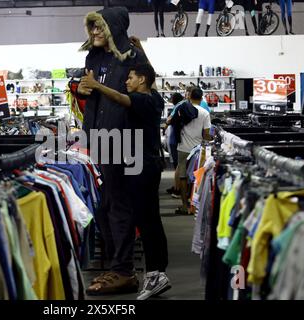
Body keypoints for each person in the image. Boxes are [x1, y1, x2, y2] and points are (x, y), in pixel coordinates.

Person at [81, 63, 172, 300]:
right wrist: (143, 55)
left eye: (131, 77)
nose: (127, 81)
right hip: (145, 165)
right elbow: (150, 78)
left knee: (146, 220)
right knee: (150, 219)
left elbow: (121, 98)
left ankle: (156, 275)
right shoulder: (154, 97)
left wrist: (96, 85)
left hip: (141, 167)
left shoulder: (143, 101)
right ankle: (157, 273)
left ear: (141, 80)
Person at [78, 7, 148, 295]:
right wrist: (81, 90)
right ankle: (116, 266)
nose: (94, 32)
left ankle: (123, 271)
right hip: (100, 140)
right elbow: (91, 91)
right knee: (104, 207)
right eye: (92, 28)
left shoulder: (133, 57)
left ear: (113, 28)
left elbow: (144, 96)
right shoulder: (93, 56)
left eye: (100, 28)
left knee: (118, 207)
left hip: (125, 141)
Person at [175, 87, 212, 215]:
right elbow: (206, 134)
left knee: (183, 177)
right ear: (201, 98)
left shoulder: (182, 109)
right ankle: (195, 206)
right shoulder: (205, 113)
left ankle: (185, 206)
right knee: (197, 178)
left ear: (189, 97)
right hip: (198, 151)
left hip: (183, 148)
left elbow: (174, 124)